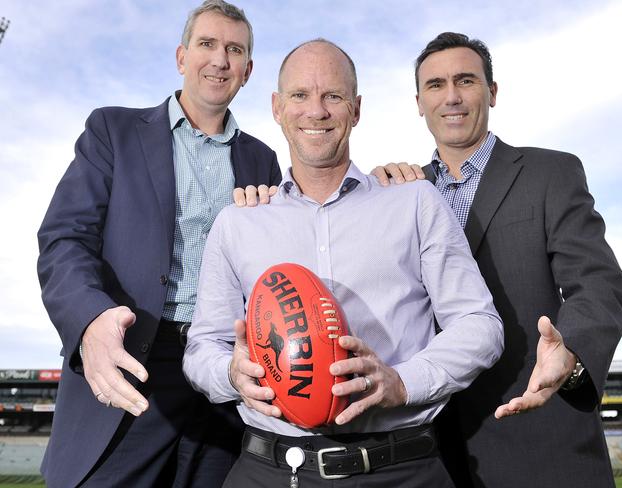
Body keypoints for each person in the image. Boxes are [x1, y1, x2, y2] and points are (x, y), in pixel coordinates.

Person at [183, 38, 504, 487]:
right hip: (270, 470)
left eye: (333, 96)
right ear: (277, 107)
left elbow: (480, 324)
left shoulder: (413, 202)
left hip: (401, 469)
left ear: (356, 109)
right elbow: (202, 349)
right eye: (300, 95)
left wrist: (402, 383)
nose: (316, 111)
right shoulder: (239, 222)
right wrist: (232, 375)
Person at [36, 1, 281, 486]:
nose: (220, 60)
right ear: (181, 56)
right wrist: (90, 320)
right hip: (139, 359)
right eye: (207, 44)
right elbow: (65, 238)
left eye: (235, 50)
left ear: (248, 71)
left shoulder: (263, 161)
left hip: (225, 372)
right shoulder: (114, 131)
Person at [372, 32, 622, 487]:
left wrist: (569, 351)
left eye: (465, 81)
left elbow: (598, 283)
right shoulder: (399, 195)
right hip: (433, 450)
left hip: (540, 437)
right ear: (418, 101)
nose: (451, 96)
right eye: (435, 85)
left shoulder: (550, 173)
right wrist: (368, 199)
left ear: (491, 92)